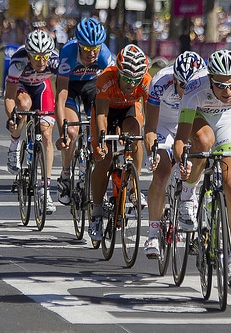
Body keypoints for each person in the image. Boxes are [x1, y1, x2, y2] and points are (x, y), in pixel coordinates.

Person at [173, 50, 231, 287]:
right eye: (221, 86)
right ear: (209, 79)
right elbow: (181, 139)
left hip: (227, 122)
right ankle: (188, 195)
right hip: (200, 118)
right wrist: (183, 164)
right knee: (203, 142)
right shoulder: (194, 88)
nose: (228, 92)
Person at [142, 51, 206, 257]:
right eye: (183, 87)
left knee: (202, 149)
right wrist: (152, 152)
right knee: (161, 174)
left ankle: (190, 195)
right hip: (165, 125)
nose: (187, 92)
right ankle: (153, 233)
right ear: (175, 80)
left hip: (189, 124)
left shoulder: (205, 82)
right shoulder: (161, 81)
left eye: (192, 88)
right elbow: (150, 127)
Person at [89, 44, 151, 241]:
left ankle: (134, 184)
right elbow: (101, 114)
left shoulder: (147, 82)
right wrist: (100, 143)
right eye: (126, 79)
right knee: (104, 159)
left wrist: (152, 142)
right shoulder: (105, 78)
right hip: (107, 110)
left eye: (135, 80)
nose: (131, 84)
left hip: (129, 110)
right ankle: (96, 213)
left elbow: (150, 118)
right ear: (118, 72)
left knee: (136, 134)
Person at [55, 17, 114, 206]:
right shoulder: (68, 52)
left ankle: (97, 182)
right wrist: (62, 131)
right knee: (72, 131)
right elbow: (61, 96)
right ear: (79, 45)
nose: (92, 53)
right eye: (87, 48)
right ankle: (65, 175)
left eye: (95, 48)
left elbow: (110, 92)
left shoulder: (104, 55)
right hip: (70, 86)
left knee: (97, 130)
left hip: (92, 86)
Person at [4, 29, 59, 214]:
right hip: (21, 87)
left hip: (42, 87)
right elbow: (10, 97)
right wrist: (12, 118)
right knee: (24, 106)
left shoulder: (55, 61)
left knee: (46, 134)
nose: (42, 61)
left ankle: (45, 190)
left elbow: (64, 91)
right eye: (36, 57)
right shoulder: (18, 62)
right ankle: (14, 146)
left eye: (45, 56)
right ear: (28, 53)